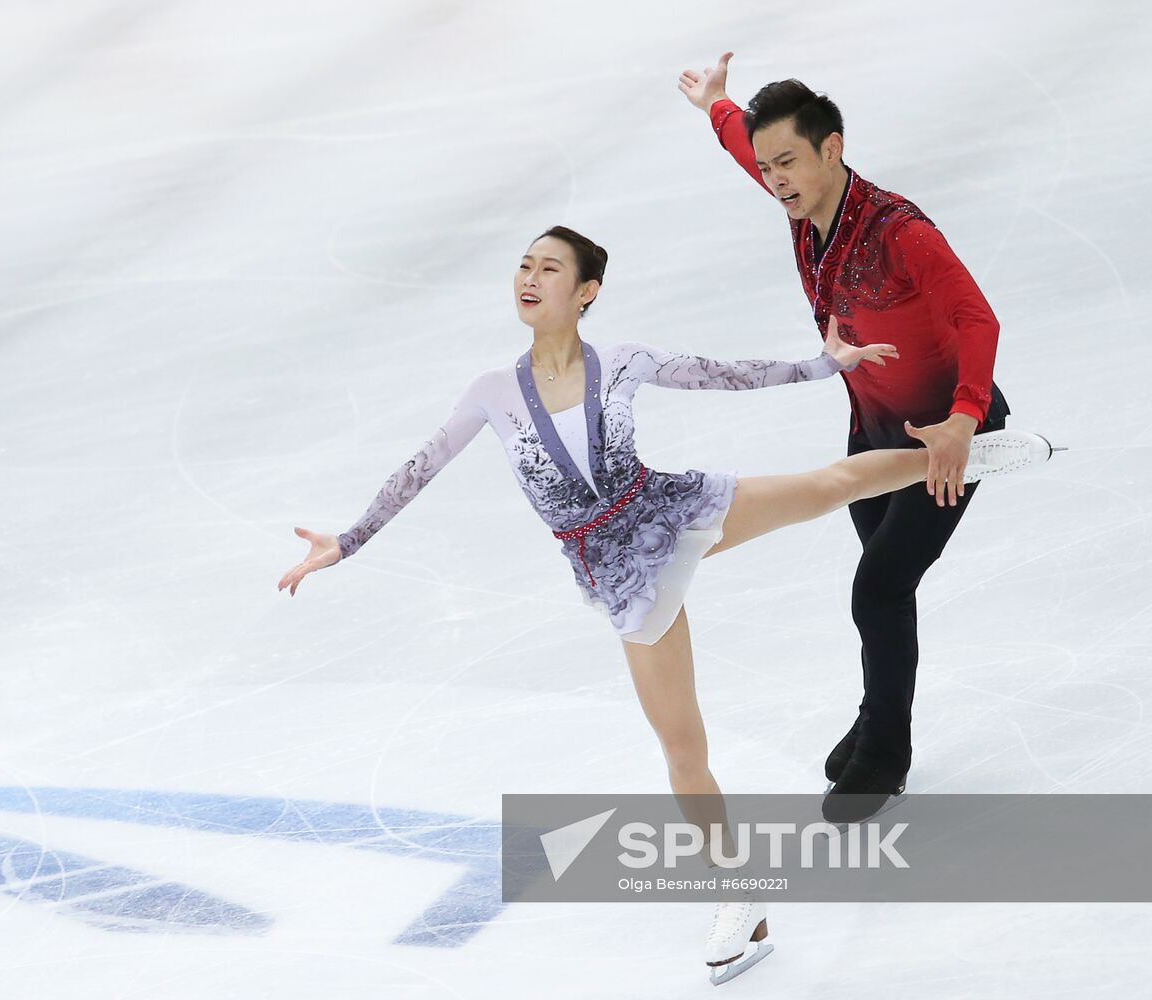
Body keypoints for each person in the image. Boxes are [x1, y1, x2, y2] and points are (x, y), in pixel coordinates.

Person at [277, 226, 1050, 982]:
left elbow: (725, 374)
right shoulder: (492, 394)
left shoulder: (620, 361)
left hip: (665, 510)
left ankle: (961, 452)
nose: (529, 277)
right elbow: (420, 466)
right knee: (682, 745)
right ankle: (737, 900)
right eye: (523, 265)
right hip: (614, 571)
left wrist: (825, 364)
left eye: (548, 268)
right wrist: (349, 540)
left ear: (585, 293)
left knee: (826, 484)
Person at [679, 55, 1018, 823]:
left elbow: (978, 319)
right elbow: (744, 144)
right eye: (768, 167)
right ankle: (877, 721)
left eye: (789, 161)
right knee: (881, 591)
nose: (775, 179)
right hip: (872, 434)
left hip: (942, 437)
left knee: (879, 589)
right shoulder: (802, 208)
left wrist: (964, 420)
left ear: (832, 148)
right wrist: (717, 104)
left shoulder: (901, 232)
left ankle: (885, 751)